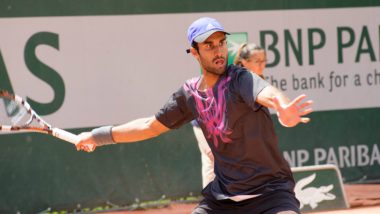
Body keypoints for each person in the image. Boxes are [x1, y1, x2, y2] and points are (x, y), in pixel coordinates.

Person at [77, 17, 313, 214]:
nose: (218, 50)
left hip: (271, 195)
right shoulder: (189, 94)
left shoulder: (241, 78)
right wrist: (97, 136)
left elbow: (268, 93)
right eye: (209, 45)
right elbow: (150, 126)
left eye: (221, 43)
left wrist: (283, 108)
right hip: (223, 201)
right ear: (194, 53)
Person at [194, 42, 269, 189]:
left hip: (227, 128)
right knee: (216, 161)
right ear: (244, 62)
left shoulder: (259, 81)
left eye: (263, 61)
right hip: (205, 123)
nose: (262, 65)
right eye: (257, 61)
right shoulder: (232, 80)